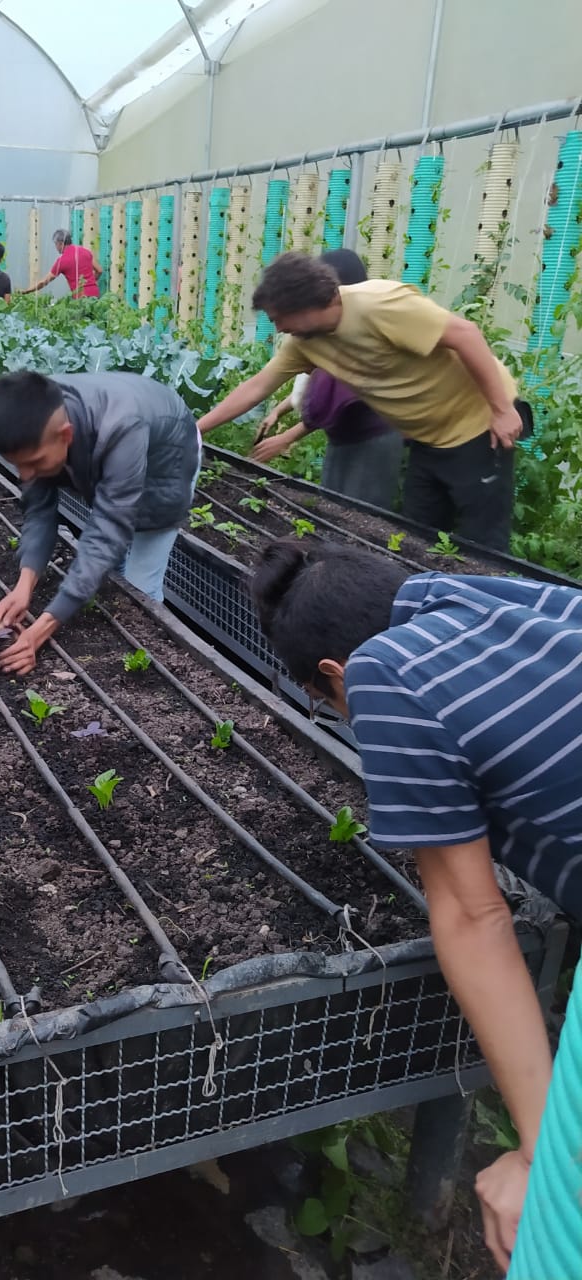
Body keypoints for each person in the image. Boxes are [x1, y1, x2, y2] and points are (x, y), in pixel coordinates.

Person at [250, 537, 582, 1274]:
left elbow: (473, 915)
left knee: (556, 1226)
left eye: (330, 705)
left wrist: (542, 1149)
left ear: (334, 675)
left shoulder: (381, 672)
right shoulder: (481, 598)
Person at [198, 251, 529, 551]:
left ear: (304, 304)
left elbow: (465, 334)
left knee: (482, 544)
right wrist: (194, 431)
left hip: (479, 426)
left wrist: (502, 409)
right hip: (426, 440)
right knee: (417, 538)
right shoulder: (303, 343)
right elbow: (256, 387)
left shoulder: (379, 305)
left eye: (278, 318)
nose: (279, 328)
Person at [0, 370, 200, 674]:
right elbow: (40, 510)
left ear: (67, 435)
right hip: (127, 431)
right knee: (105, 569)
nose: (25, 475)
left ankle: (149, 665)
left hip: (168, 453)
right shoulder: (36, 419)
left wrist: (42, 629)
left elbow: (108, 529)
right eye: (18, 465)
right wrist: (24, 585)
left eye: (33, 463)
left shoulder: (120, 426)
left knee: (139, 588)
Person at [254, 249, 404, 509]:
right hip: (346, 437)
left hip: (373, 437)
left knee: (360, 516)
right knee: (334, 511)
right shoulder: (324, 330)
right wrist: (278, 411)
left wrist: (285, 438)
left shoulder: (361, 328)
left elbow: (341, 396)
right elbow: (306, 384)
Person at [19, 229, 101, 299]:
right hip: (95, 294)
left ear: (60, 243)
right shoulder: (85, 251)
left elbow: (44, 282)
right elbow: (99, 271)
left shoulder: (62, 261)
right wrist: (90, 283)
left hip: (80, 297)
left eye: (55, 244)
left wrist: (27, 291)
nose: (56, 247)